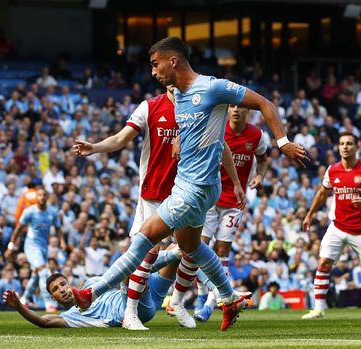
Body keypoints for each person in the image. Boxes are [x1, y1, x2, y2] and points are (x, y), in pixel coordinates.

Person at [68, 37, 308, 332]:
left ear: (173, 61)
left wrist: (282, 142)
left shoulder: (212, 87)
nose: (153, 72)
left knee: (143, 241)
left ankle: (91, 293)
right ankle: (229, 297)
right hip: (198, 188)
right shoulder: (178, 97)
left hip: (194, 189)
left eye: (156, 64)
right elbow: (210, 138)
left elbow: (263, 103)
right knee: (191, 247)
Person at [74, 86, 179, 330]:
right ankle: (130, 313)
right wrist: (96, 147)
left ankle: (185, 301)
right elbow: (121, 138)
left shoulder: (196, 108)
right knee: (146, 252)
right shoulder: (150, 107)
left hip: (184, 193)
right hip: (153, 194)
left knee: (190, 248)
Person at [301, 132, 361, 319]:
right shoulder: (333, 170)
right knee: (324, 262)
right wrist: (309, 214)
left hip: (360, 229)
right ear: (338, 147)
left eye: (349, 143)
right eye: (342, 144)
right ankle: (319, 308)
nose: (345, 147)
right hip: (337, 226)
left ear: (356, 147)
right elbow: (322, 193)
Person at [194, 104, 270, 322]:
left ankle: (210, 302)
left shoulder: (257, 135)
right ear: (227, 110)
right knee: (198, 249)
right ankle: (202, 294)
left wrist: (260, 176)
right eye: (233, 106)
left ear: (249, 112)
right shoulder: (217, 129)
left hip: (235, 202)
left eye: (241, 107)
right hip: (210, 197)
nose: (237, 110)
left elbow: (263, 159)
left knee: (222, 251)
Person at [2, 259, 178, 328]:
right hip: (136, 309)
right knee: (131, 266)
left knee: (177, 250)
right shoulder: (70, 317)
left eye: (63, 284)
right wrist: (19, 306)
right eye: (56, 289)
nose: (62, 289)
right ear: (52, 298)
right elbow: (43, 321)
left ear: (69, 284)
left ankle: (178, 301)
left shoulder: (92, 284)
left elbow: (115, 279)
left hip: (146, 295)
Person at [9, 187, 66, 312]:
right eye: (39, 195)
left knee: (36, 275)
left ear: (47, 197)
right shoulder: (29, 211)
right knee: (44, 271)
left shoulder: (52, 212)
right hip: (31, 246)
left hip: (43, 247)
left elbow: (58, 228)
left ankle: (24, 300)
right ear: (36, 197)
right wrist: (11, 246)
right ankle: (49, 303)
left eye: (44, 195)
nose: (42, 197)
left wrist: (62, 241)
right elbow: (18, 228)